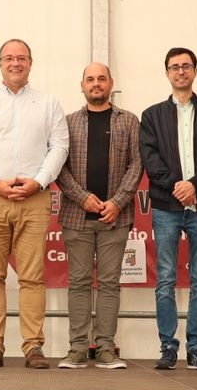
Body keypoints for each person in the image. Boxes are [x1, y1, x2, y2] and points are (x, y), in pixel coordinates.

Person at [0, 39, 68, 369]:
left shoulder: (49, 104)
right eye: (9, 58)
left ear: (31, 63)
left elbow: (59, 147)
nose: (15, 63)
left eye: (21, 58)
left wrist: (38, 181)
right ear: (0, 63)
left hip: (34, 199)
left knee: (32, 276)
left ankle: (33, 346)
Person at [139, 47, 197, 371]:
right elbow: (151, 159)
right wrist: (179, 185)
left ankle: (196, 348)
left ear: (195, 71)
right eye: (174, 67)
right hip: (166, 207)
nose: (180, 72)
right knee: (165, 278)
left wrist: (193, 184)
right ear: (166, 73)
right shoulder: (151, 116)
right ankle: (167, 346)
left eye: (186, 66)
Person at [55, 62, 143, 370]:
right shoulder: (66, 123)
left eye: (101, 79)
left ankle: (106, 348)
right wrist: (83, 198)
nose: (96, 84)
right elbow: (59, 167)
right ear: (82, 85)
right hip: (76, 217)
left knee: (109, 283)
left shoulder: (129, 121)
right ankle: (78, 349)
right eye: (90, 79)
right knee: (78, 282)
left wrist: (116, 202)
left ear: (111, 84)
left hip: (114, 218)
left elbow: (137, 165)